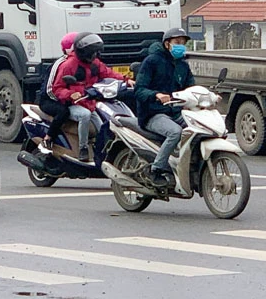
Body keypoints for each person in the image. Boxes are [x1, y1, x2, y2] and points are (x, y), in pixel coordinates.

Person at [50, 33, 133, 163]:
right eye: (92, 53)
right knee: (85, 115)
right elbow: (57, 88)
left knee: (103, 126)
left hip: (90, 102)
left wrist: (126, 81)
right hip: (73, 104)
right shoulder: (68, 65)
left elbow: (108, 73)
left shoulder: (95, 64)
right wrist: (71, 94)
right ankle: (83, 149)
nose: (95, 56)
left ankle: (102, 151)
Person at [135, 27, 195, 185]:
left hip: (176, 111)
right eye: (177, 42)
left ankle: (189, 164)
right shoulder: (152, 61)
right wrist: (156, 95)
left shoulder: (183, 65)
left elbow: (191, 88)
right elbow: (139, 90)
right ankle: (156, 170)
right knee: (175, 132)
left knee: (199, 127)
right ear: (167, 44)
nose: (181, 45)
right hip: (153, 113)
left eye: (183, 42)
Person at [38, 32, 79, 152]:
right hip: (49, 100)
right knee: (63, 112)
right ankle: (48, 138)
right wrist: (65, 100)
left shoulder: (81, 63)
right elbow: (49, 89)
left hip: (67, 99)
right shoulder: (59, 64)